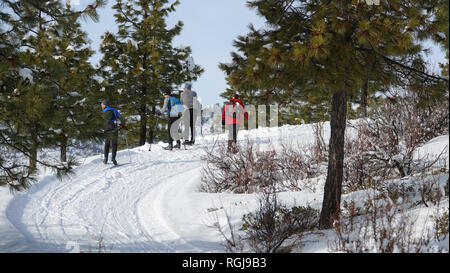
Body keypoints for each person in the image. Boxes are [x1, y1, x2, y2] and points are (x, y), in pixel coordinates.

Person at [101, 99, 126, 165]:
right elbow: (121, 118)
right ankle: (113, 158)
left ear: (105, 105)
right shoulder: (114, 110)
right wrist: (122, 124)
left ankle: (105, 158)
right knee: (114, 143)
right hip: (114, 128)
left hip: (106, 129)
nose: (101, 105)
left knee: (107, 144)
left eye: (102, 104)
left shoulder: (103, 112)